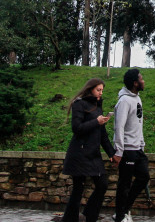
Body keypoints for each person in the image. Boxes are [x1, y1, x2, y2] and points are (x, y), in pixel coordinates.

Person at [58, 78, 116, 222]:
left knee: (102, 184)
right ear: (90, 89)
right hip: (80, 153)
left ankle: (89, 216)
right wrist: (96, 122)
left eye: (102, 90)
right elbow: (76, 128)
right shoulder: (79, 104)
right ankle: (70, 219)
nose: (100, 93)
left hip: (93, 154)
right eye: (98, 90)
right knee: (78, 189)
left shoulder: (97, 106)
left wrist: (111, 153)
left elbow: (103, 134)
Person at [112, 68, 149, 222]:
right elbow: (118, 127)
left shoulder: (137, 99)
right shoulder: (124, 101)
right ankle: (120, 216)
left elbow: (137, 124)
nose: (143, 81)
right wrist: (119, 151)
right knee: (124, 184)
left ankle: (124, 210)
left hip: (137, 149)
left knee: (144, 177)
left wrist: (141, 143)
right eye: (141, 79)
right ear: (135, 83)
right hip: (126, 149)